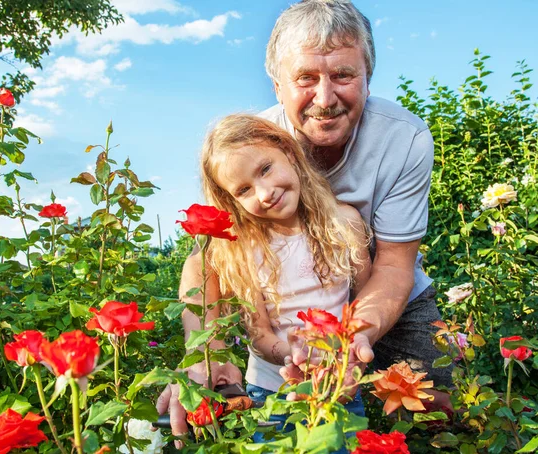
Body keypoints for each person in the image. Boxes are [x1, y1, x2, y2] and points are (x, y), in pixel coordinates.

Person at [157, 0, 450, 440]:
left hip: (378, 282)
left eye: (344, 75)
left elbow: (393, 266)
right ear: (278, 86)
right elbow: (206, 263)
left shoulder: (403, 139)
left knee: (439, 406)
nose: (325, 99)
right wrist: (208, 352)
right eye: (306, 79)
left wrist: (350, 340)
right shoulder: (246, 146)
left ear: (368, 78)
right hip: (285, 316)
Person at [199, 114, 371, 432]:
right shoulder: (245, 248)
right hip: (273, 393)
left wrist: (348, 355)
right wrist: (290, 354)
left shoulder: (344, 223)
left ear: (289, 153)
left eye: (265, 169)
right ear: (231, 201)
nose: (264, 193)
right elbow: (259, 332)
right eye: (244, 190)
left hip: (339, 386)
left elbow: (365, 300)